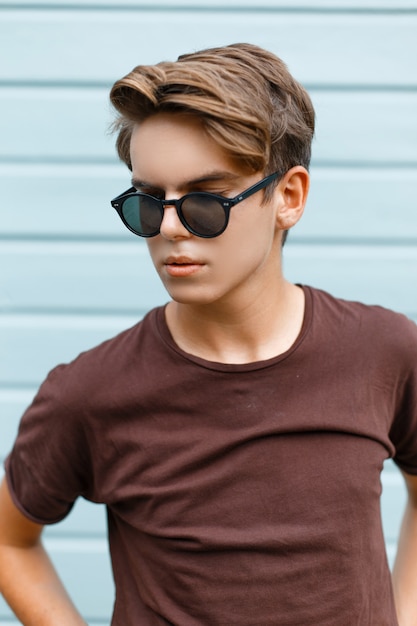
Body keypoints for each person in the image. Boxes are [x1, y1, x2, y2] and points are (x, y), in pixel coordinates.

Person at [0, 43, 416, 626]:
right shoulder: (90, 391)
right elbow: (9, 541)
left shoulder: (385, 352)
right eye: (147, 202)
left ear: (288, 198)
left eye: (205, 201)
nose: (169, 227)